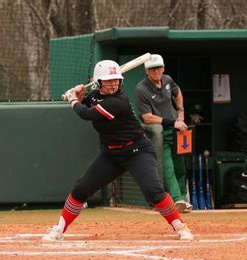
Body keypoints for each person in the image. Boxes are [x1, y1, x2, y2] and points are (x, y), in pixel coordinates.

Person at [42, 60, 193, 241]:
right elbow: (87, 103)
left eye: (116, 80)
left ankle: (180, 226)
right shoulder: (95, 96)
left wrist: (73, 99)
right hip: (112, 154)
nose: (113, 84)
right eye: (108, 80)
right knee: (81, 189)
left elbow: (86, 114)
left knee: (153, 191)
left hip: (137, 150)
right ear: (98, 82)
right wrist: (80, 96)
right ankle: (59, 229)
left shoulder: (118, 101)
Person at [134, 54, 192, 213]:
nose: (156, 71)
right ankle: (177, 199)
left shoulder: (168, 80)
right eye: (152, 69)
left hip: (177, 130)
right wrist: (174, 122)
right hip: (159, 132)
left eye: (158, 68)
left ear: (163, 68)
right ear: (146, 71)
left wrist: (180, 112)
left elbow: (177, 92)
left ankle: (182, 199)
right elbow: (147, 117)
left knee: (180, 166)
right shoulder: (141, 89)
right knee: (168, 167)